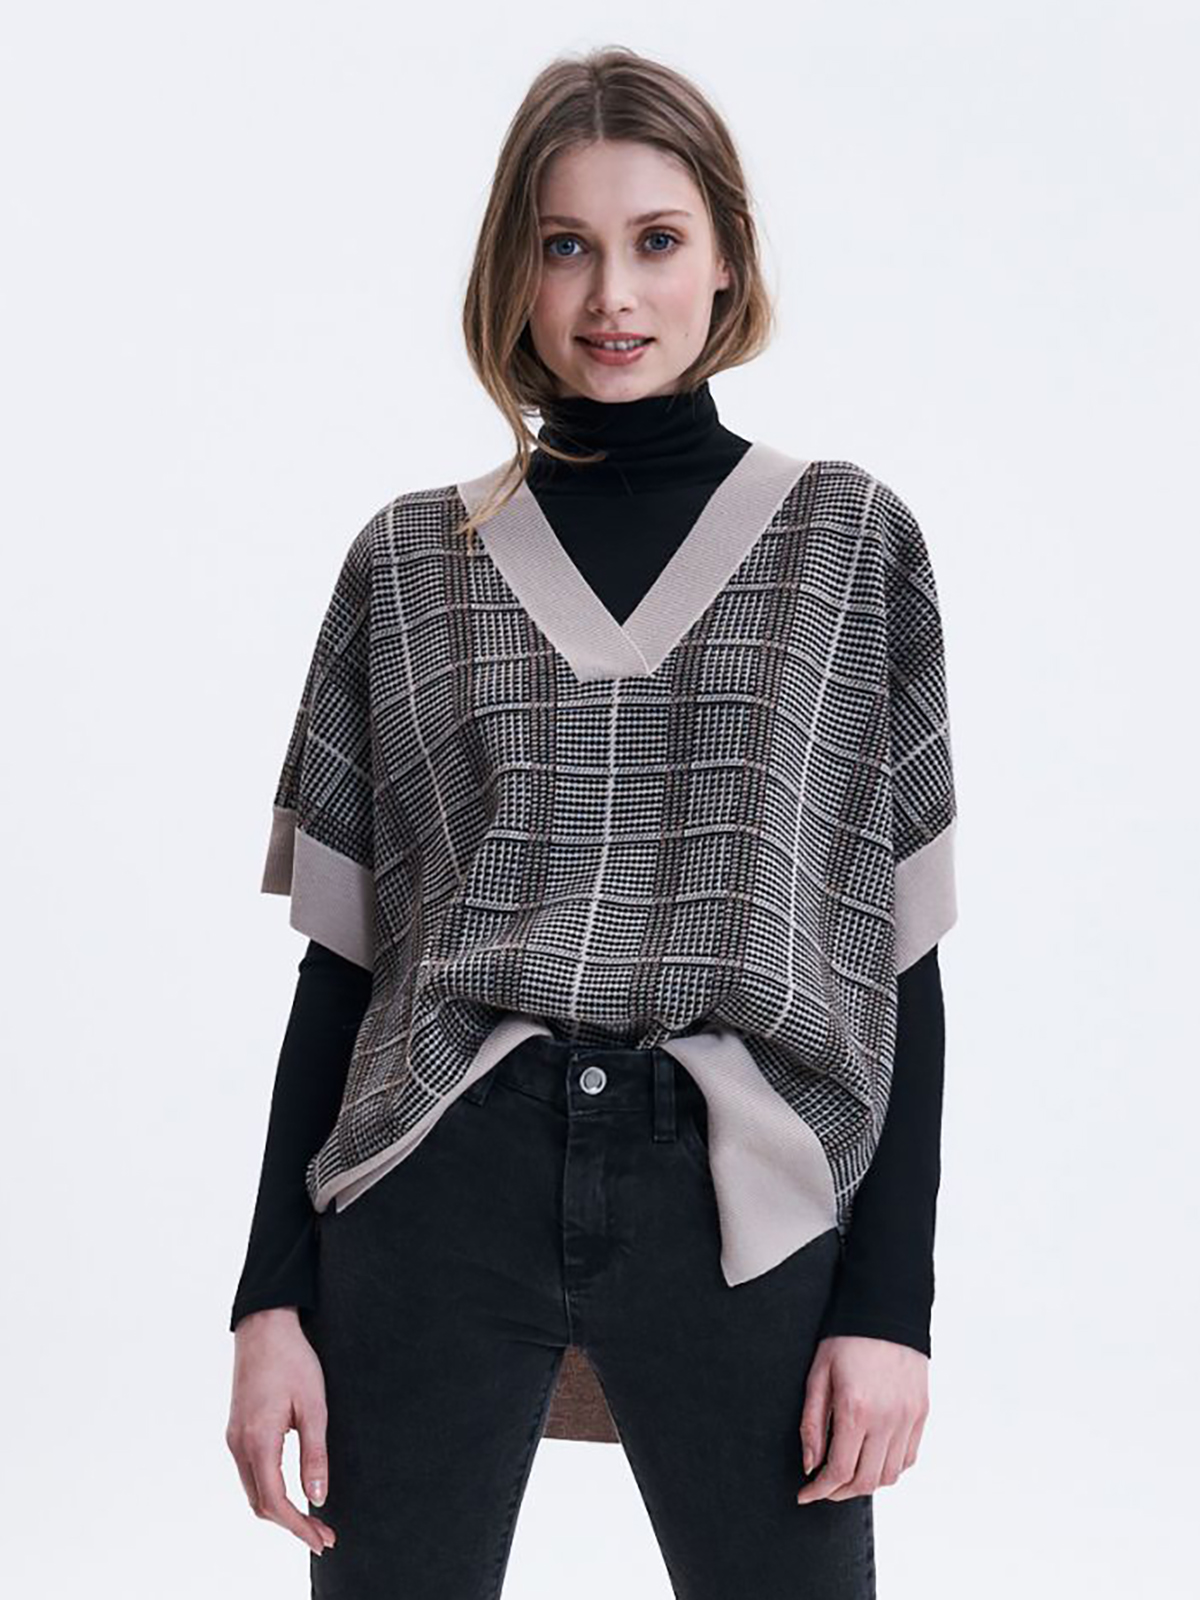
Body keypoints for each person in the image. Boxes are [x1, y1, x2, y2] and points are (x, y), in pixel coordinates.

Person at [226, 44, 957, 1600]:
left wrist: (890, 1310)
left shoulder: (848, 546)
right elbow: (344, 974)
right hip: (439, 1175)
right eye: (566, 245)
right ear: (515, 268)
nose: (612, 294)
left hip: (742, 1191)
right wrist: (266, 1304)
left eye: (656, 240)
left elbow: (898, 960)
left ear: (728, 258)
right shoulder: (408, 564)